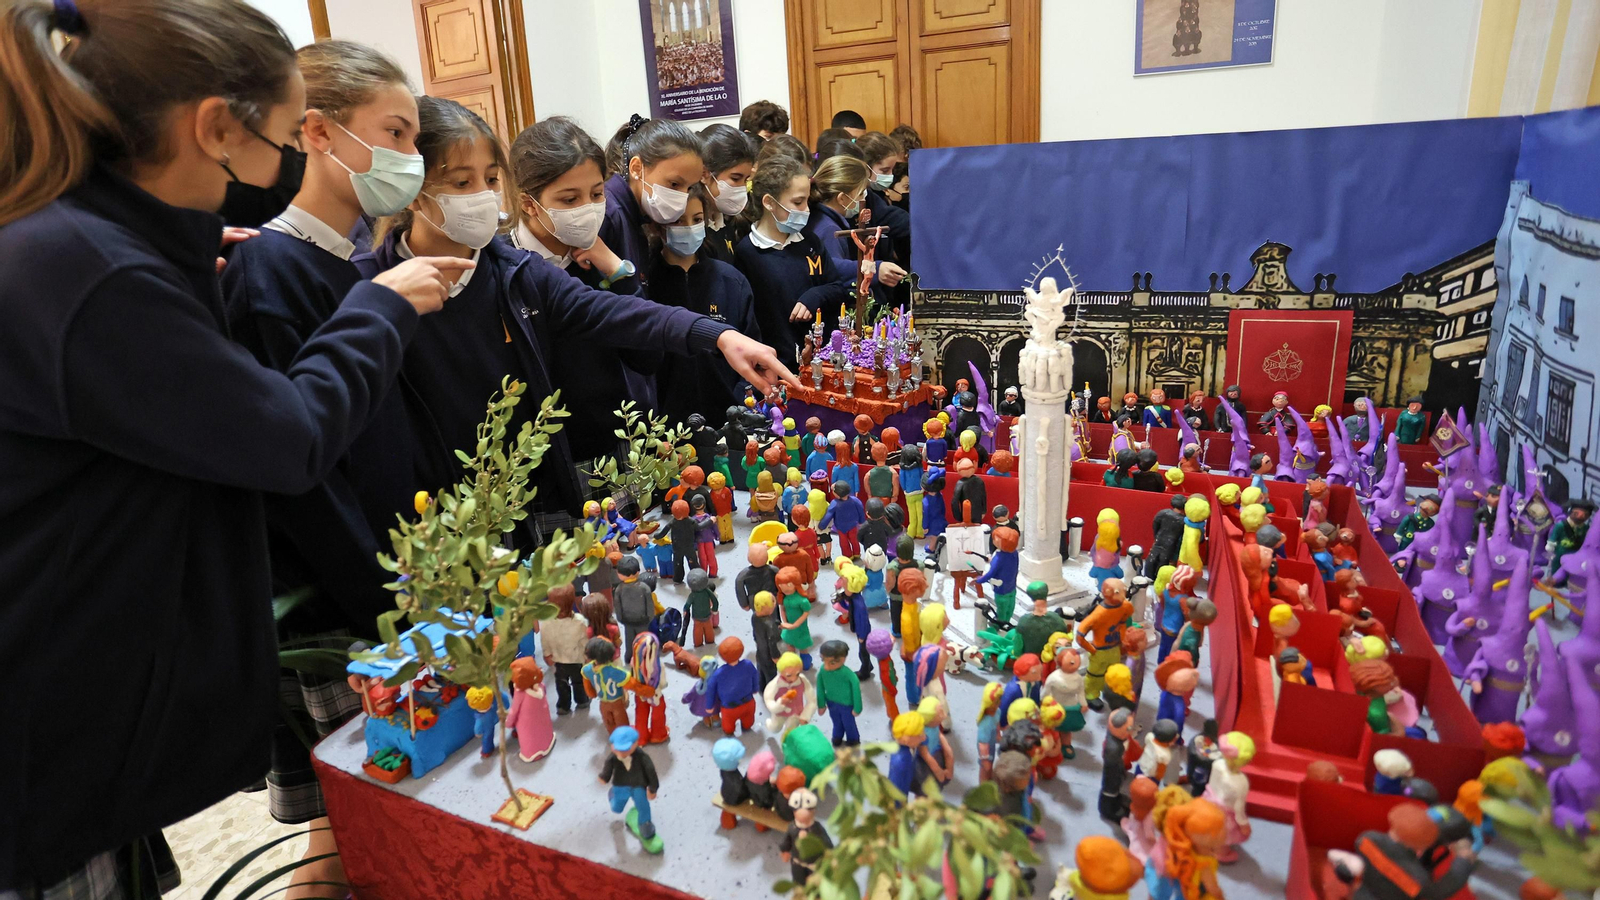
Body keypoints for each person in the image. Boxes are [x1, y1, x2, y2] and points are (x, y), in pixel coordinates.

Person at [0, 2, 482, 893]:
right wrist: (376, 307)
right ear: (215, 128)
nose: (284, 165)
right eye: (278, 140)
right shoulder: (86, 269)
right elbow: (289, 439)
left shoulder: (92, 247)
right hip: (48, 700)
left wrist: (178, 263)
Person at [357, 98, 792, 526]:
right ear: (415, 191)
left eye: (490, 180)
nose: (483, 197)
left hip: (532, 490)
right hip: (436, 510)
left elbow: (616, 313)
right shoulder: (368, 285)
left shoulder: (517, 274)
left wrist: (717, 334)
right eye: (460, 183)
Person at [507, 115, 642, 460]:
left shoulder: (601, 254)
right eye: (569, 200)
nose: (587, 209)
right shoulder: (505, 265)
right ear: (528, 204)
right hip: (538, 461)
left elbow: (645, 356)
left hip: (610, 447)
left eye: (597, 194)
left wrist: (615, 267)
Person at [645, 180, 760, 428]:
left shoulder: (731, 281)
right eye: (678, 221)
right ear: (658, 226)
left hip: (727, 422)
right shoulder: (646, 284)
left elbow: (752, 349)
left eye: (696, 219)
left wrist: (739, 404)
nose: (688, 228)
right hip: (664, 428)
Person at [735, 155, 853, 371]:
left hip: (823, 361)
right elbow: (751, 320)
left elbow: (837, 288)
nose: (806, 209)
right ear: (769, 202)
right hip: (778, 366)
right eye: (798, 202)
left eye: (807, 200)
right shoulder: (747, 254)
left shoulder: (809, 241)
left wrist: (814, 296)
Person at [805, 155, 906, 310]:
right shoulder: (829, 229)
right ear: (842, 199)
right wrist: (875, 269)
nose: (864, 198)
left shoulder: (823, 219)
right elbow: (831, 270)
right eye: (860, 194)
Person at [697, 123, 757, 265]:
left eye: (746, 179)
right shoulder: (693, 234)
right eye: (735, 178)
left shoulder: (728, 223)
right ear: (704, 174)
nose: (742, 188)